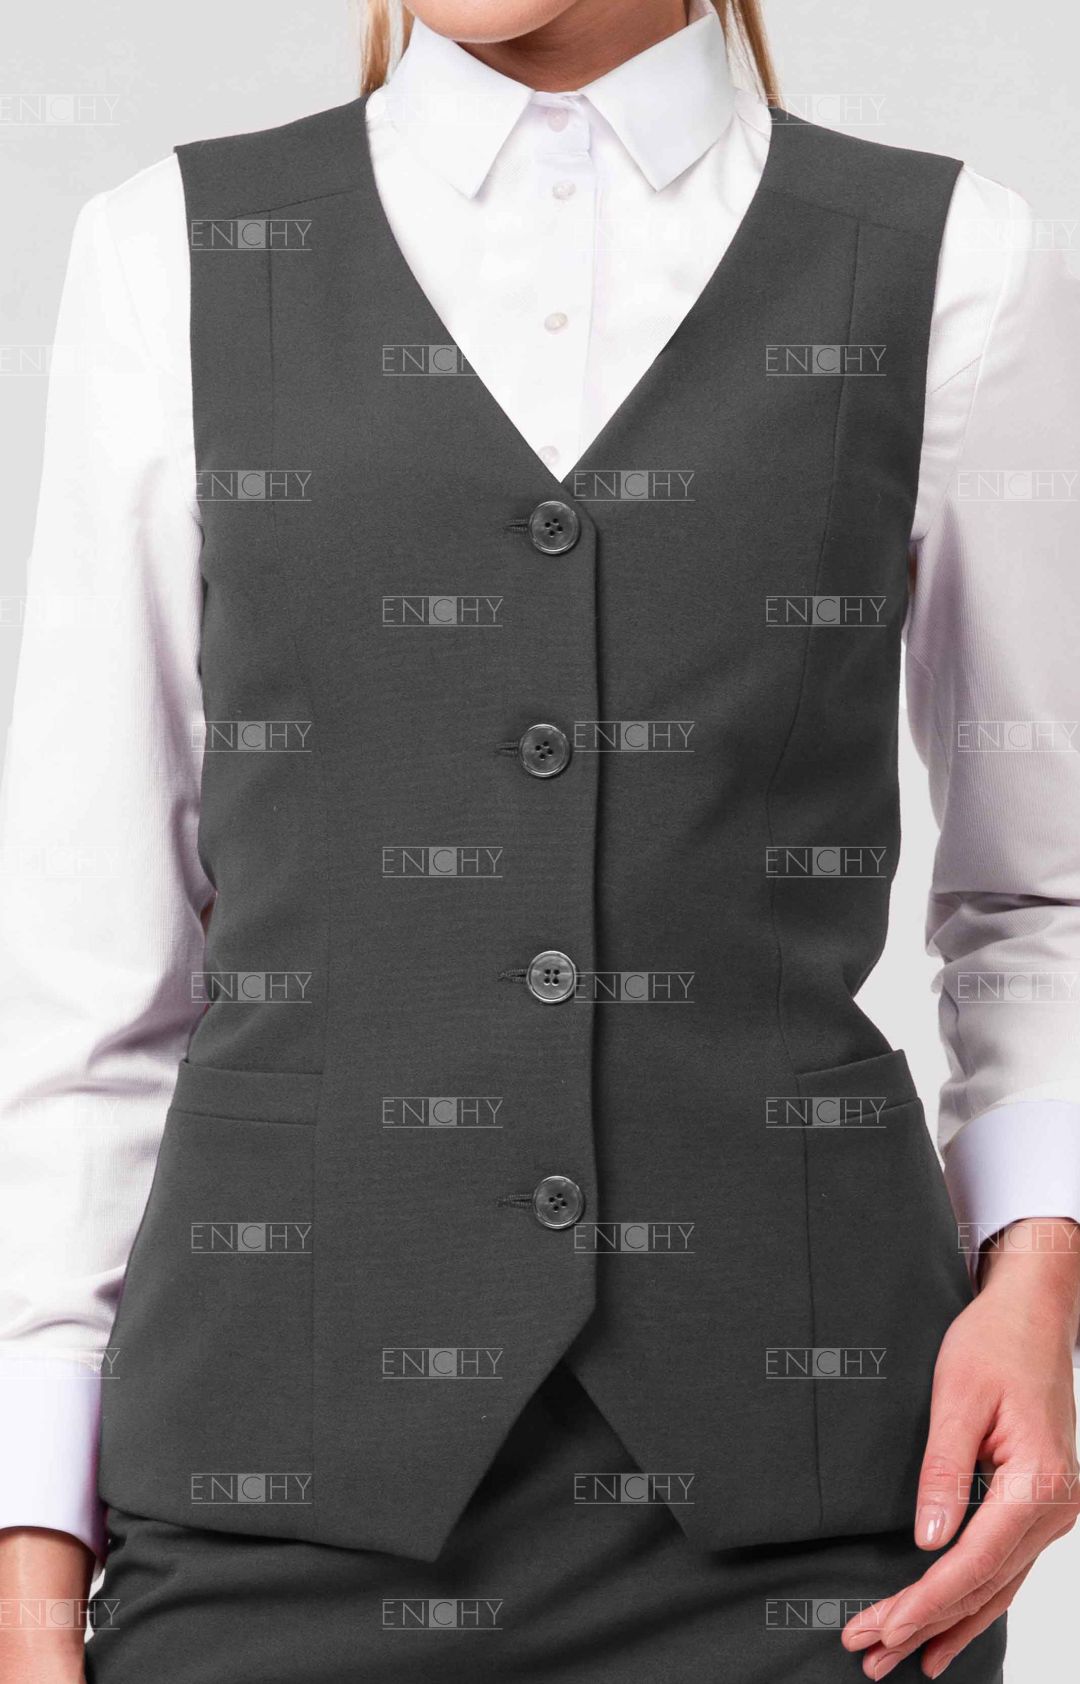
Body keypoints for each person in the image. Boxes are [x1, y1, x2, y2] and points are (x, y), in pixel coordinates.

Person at [2, 2, 1079, 1679]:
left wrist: (1038, 1284)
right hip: (272, 1499)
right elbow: (91, 966)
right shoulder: (170, 252)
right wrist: (29, 1547)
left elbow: (1041, 886)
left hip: (809, 1522)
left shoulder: (951, 261)